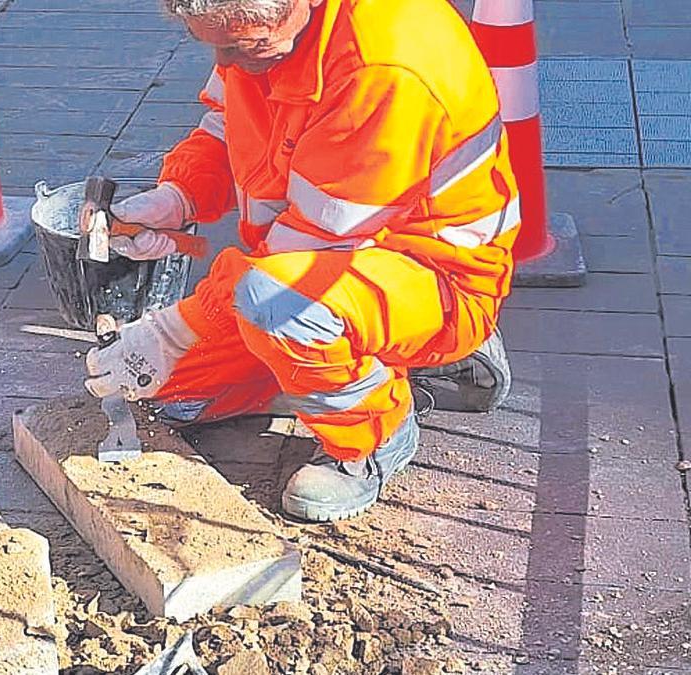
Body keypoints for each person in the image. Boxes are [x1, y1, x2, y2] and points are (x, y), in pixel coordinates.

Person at [83, 0, 518, 522]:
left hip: (434, 277)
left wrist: (172, 331)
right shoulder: (258, 34)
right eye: (213, 43)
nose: (225, 60)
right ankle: (369, 353)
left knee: (274, 310)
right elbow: (226, 128)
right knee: (171, 392)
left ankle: (374, 433)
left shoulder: (386, 65)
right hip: (314, 261)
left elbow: (309, 253)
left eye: (244, 45)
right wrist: (178, 198)